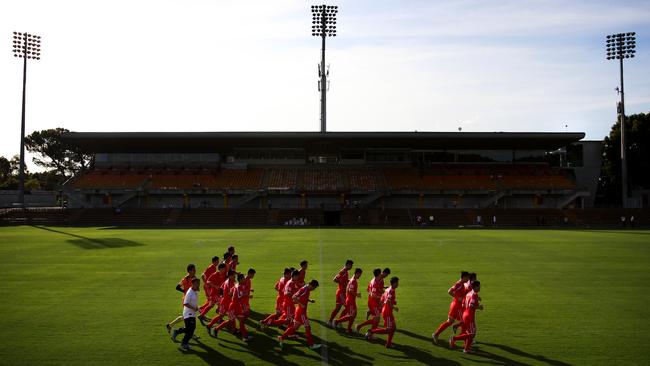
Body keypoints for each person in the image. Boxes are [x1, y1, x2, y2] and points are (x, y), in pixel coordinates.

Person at [278, 280, 321, 350]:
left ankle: (281, 337)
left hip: (299, 311)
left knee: (295, 327)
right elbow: (294, 297)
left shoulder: (305, 288)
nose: (314, 289)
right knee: (308, 328)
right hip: (301, 313)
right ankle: (311, 345)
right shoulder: (305, 289)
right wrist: (301, 304)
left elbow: (302, 297)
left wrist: (310, 300)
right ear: (312, 285)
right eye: (314, 287)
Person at [432, 271, 470, 344]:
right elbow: (449, 291)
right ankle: (463, 339)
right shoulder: (459, 284)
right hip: (457, 306)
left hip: (455, 305)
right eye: (467, 278)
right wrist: (458, 298)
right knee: (464, 322)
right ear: (464, 277)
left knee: (449, 322)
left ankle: (436, 334)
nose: (468, 279)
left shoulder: (462, 284)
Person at [212, 273, 252, 342]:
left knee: (241, 321)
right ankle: (216, 329)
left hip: (237, 306)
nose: (245, 279)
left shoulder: (237, 285)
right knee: (231, 321)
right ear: (240, 280)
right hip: (233, 307)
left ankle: (244, 336)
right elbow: (240, 297)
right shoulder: (239, 287)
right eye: (243, 278)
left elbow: (230, 292)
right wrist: (248, 296)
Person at [449, 281, 483, 354]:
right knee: (472, 334)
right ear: (476, 287)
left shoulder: (469, 293)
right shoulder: (474, 294)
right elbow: (471, 305)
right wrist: (479, 307)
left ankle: (466, 349)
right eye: (479, 286)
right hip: (469, 316)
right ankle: (454, 338)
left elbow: (464, 303)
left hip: (465, 314)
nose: (480, 287)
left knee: (470, 332)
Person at [365, 276, 399, 348]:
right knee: (388, 329)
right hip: (388, 312)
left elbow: (382, 299)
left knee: (393, 328)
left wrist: (392, 302)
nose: (398, 284)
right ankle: (371, 331)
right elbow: (388, 301)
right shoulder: (391, 291)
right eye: (397, 283)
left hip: (386, 311)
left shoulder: (388, 289)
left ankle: (388, 343)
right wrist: (394, 307)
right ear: (394, 283)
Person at [166, 264, 197, 333]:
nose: (195, 271)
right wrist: (185, 291)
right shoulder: (185, 279)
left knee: (186, 316)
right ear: (189, 271)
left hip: (191, 299)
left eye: (195, 269)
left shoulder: (194, 277)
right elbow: (177, 287)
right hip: (186, 300)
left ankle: (170, 325)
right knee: (189, 317)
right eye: (193, 270)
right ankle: (190, 332)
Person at [171, 278, 200, 350]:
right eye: (196, 284)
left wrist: (196, 307)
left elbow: (194, 301)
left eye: (198, 284)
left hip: (192, 313)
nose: (198, 285)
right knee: (191, 330)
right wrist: (194, 308)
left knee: (190, 329)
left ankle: (177, 332)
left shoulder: (195, 291)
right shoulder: (190, 293)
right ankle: (184, 343)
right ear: (192, 284)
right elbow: (185, 303)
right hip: (188, 314)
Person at [334, 268, 363, 332]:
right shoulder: (353, 281)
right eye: (360, 275)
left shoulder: (352, 279)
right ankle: (337, 321)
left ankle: (348, 328)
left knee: (354, 314)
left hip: (352, 300)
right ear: (357, 273)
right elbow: (350, 290)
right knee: (351, 315)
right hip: (350, 301)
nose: (360, 276)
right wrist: (357, 294)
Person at [328, 259, 354, 326]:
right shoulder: (343, 271)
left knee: (338, 308)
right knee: (347, 307)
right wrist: (344, 282)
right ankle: (338, 321)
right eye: (351, 265)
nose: (351, 267)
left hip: (341, 292)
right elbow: (335, 279)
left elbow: (343, 280)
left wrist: (348, 281)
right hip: (341, 292)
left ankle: (332, 321)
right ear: (348, 264)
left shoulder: (346, 271)